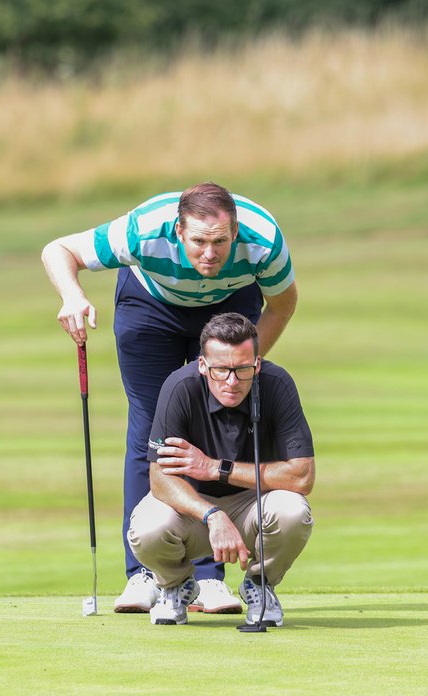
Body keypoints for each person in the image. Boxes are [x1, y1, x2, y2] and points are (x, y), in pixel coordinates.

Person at [41, 183, 299, 614]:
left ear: (235, 232)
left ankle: (208, 578)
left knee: (215, 428)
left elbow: (283, 306)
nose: (209, 254)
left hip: (229, 303)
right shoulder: (143, 230)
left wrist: (241, 368)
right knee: (152, 433)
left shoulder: (263, 240)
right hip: (150, 305)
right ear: (178, 232)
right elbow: (58, 250)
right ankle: (144, 575)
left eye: (220, 242)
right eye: (198, 241)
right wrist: (72, 294)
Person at [128, 312, 315, 626]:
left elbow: (302, 476)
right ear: (203, 365)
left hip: (253, 505)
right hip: (191, 509)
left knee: (294, 512)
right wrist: (211, 515)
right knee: (146, 529)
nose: (232, 381)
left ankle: (259, 584)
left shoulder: (277, 384)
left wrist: (216, 468)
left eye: (243, 369)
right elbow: (160, 479)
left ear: (256, 363)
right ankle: (175, 585)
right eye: (221, 370)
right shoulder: (180, 387)